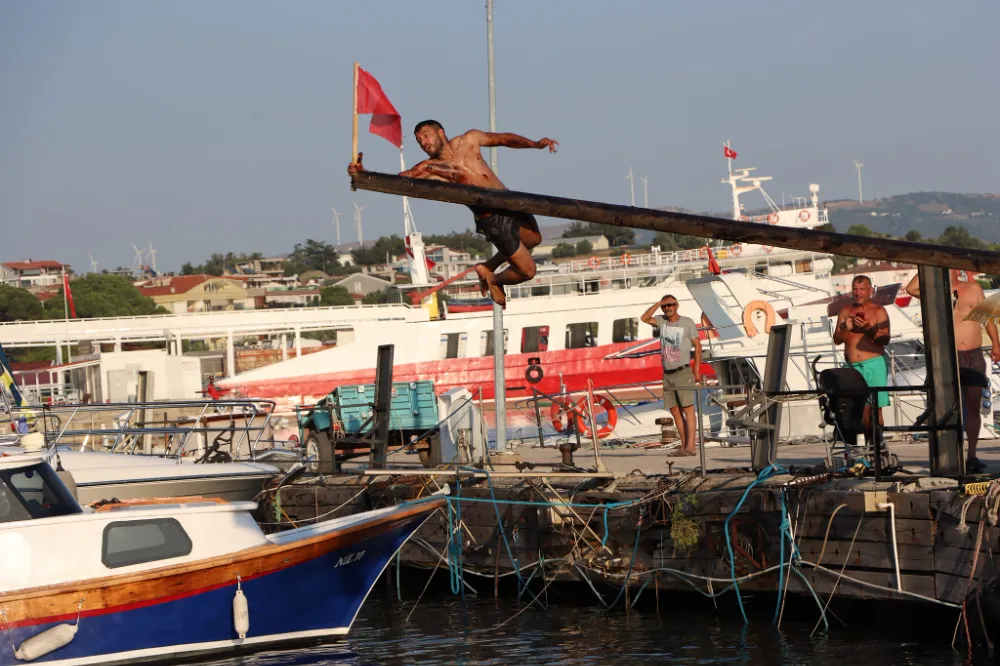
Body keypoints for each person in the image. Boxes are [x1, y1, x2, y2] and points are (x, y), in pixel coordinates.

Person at [347, 120, 558, 308]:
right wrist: (365, 176)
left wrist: (536, 144)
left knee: (534, 238)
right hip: (493, 219)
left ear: (440, 132)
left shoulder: (469, 140)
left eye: (425, 135)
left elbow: (504, 139)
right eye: (419, 141)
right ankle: (495, 279)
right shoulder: (432, 168)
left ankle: (486, 267)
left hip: (510, 203)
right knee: (527, 272)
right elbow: (401, 180)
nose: (423, 142)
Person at [905, 269, 1000, 472]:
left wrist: (996, 344)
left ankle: (972, 454)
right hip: (947, 358)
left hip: (972, 355)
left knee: (973, 405)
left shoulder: (973, 289)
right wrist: (928, 264)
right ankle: (948, 455)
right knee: (945, 405)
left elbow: (988, 318)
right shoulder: (935, 293)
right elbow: (910, 288)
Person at [833, 275, 891, 448]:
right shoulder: (845, 311)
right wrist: (845, 328)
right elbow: (837, 339)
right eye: (855, 289)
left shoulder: (879, 311)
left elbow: (884, 339)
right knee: (852, 409)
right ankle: (862, 448)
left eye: (862, 289)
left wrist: (868, 329)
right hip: (851, 366)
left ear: (870, 291)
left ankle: (876, 448)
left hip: (873, 363)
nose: (858, 293)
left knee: (874, 409)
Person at [641, 295, 702, 457]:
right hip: (667, 374)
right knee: (675, 410)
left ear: (677, 305)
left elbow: (697, 346)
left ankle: (691, 447)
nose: (667, 308)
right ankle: (684, 446)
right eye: (665, 306)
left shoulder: (687, 322)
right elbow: (644, 318)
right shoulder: (661, 321)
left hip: (683, 370)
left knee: (688, 408)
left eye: (670, 305)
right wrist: (657, 303)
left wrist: (696, 370)